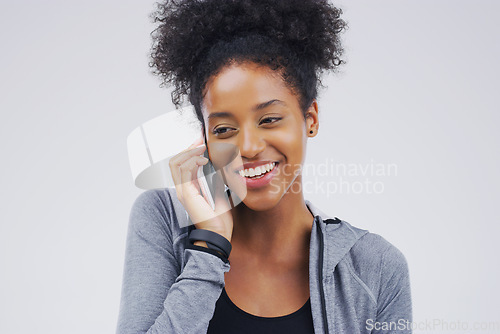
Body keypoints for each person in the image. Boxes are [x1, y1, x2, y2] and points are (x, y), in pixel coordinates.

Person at [116, 0, 412, 333]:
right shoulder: (164, 220)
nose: (249, 148)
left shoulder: (376, 268)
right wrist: (210, 245)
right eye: (224, 130)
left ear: (310, 118)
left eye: (269, 119)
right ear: (204, 140)